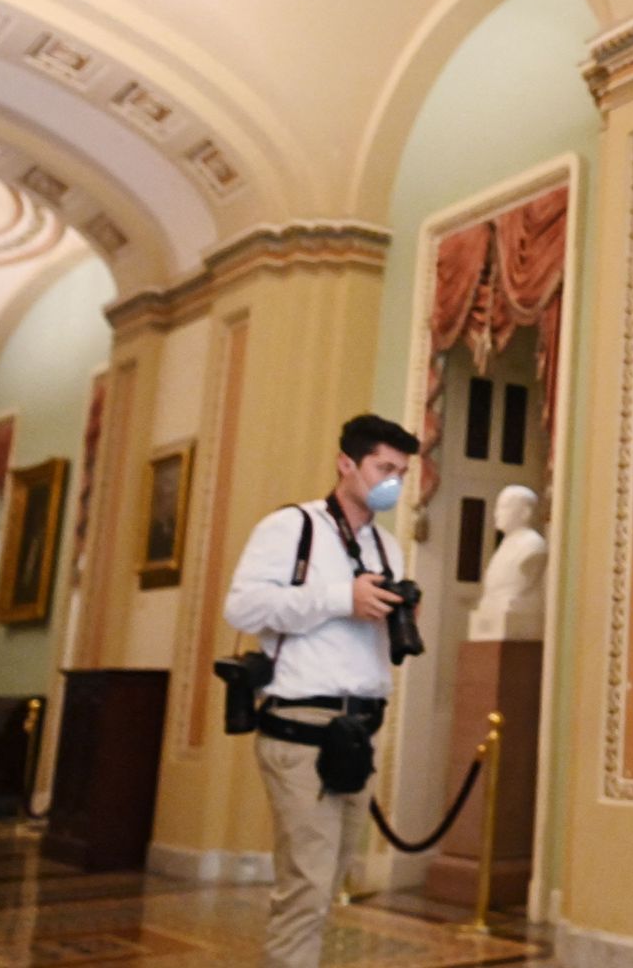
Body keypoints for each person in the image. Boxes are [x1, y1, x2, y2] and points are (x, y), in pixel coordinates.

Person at [224, 413, 419, 968]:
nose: (394, 483)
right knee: (305, 885)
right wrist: (339, 597)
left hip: (358, 732)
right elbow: (242, 607)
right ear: (346, 464)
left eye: (402, 473)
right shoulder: (293, 528)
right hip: (300, 726)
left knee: (328, 879)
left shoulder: (386, 548)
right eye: (385, 468)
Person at [470, 485, 548, 641]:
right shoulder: (504, 547)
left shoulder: (533, 546)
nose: (497, 514)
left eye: (504, 507)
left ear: (525, 513)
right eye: (497, 508)